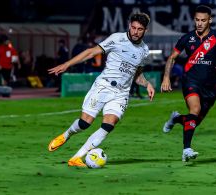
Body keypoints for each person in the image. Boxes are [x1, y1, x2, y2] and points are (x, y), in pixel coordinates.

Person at [47, 12, 155, 167]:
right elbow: (91, 52)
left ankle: (77, 158)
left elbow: (136, 74)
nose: (135, 32)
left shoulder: (144, 50)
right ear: (129, 26)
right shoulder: (117, 38)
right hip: (103, 86)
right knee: (85, 123)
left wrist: (147, 84)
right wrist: (67, 64)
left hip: (121, 94)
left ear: (145, 31)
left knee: (108, 125)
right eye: (133, 27)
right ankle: (67, 134)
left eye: (139, 29)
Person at [161, 5, 216, 162]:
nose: (200, 23)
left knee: (194, 121)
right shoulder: (186, 38)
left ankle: (176, 119)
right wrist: (166, 77)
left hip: (210, 87)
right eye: (197, 20)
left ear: (210, 20)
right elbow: (172, 57)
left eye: (203, 20)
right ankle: (186, 149)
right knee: (194, 109)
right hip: (191, 80)